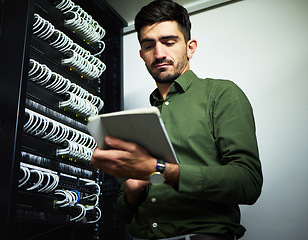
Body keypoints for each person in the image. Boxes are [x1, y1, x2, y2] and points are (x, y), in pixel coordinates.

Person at [90, 0, 263, 239]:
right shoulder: (139, 120)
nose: (159, 54)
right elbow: (123, 213)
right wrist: (131, 192)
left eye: (169, 42)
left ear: (190, 47)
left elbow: (249, 182)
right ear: (142, 55)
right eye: (149, 46)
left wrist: (161, 170)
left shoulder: (220, 94)